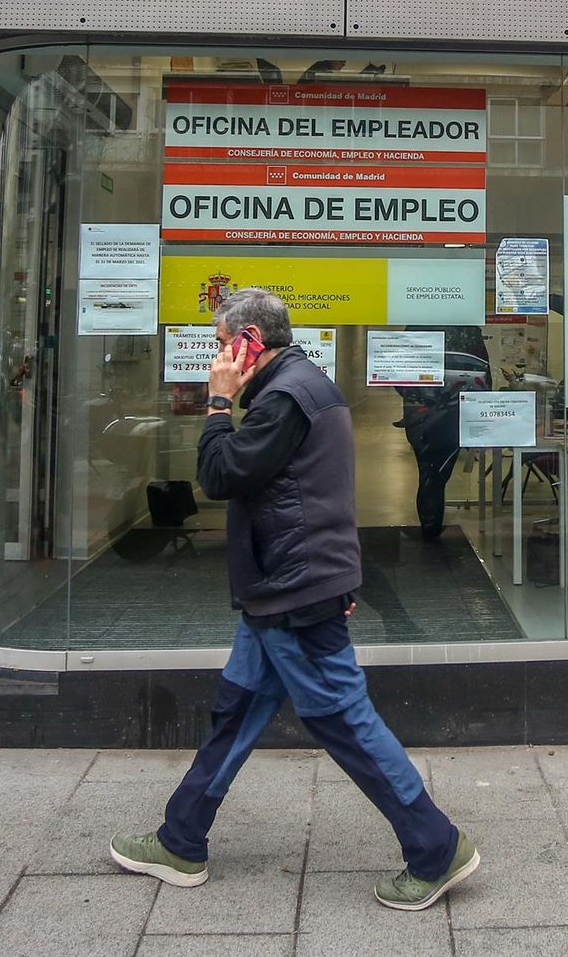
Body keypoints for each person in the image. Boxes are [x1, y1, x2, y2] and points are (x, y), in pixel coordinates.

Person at [109, 288, 479, 911]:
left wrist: (219, 402)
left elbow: (221, 475)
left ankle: (436, 848)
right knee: (237, 708)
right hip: (284, 583)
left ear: (252, 340)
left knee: (342, 719)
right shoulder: (305, 384)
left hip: (293, 588)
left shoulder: (284, 397)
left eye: (224, 342)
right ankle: (181, 838)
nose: (218, 354)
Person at [393, 326, 490, 539]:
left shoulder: (417, 327)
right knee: (435, 473)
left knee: (429, 471)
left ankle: (430, 525)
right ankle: (430, 525)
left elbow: (398, 374)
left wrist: (417, 396)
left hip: (422, 413)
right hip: (452, 411)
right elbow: (483, 373)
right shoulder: (467, 330)